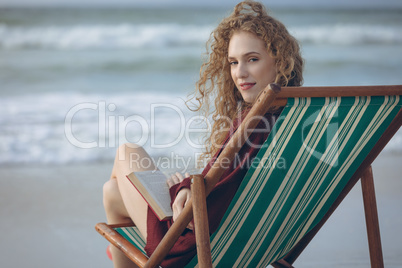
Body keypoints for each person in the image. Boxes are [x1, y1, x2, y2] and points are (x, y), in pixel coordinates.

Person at [102, 1, 303, 267]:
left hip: (195, 245)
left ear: (279, 61)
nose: (239, 73)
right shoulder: (295, 121)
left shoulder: (256, 123)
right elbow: (233, 188)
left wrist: (186, 187)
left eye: (252, 59)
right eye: (233, 62)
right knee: (112, 191)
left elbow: (215, 202)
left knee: (127, 151)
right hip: (248, 243)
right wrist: (189, 185)